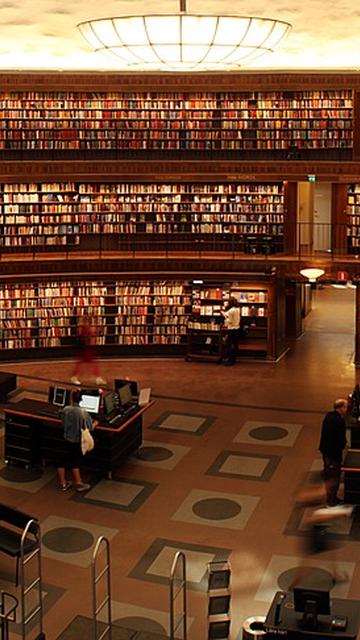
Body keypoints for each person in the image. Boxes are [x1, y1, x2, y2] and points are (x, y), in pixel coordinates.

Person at [57, 389, 95, 492]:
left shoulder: (65, 409)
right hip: (77, 440)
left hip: (66, 438)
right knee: (75, 462)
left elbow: (62, 422)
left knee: (62, 461)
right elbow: (90, 428)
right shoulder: (83, 413)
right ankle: (78, 483)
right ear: (81, 400)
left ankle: (63, 483)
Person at [319, 398, 348, 507]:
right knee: (334, 476)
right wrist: (344, 444)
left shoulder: (328, 415)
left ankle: (330, 497)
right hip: (334, 454)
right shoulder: (339, 421)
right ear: (342, 408)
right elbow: (340, 439)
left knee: (328, 474)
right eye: (346, 407)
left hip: (325, 451)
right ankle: (331, 500)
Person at [71, 313, 106, 386]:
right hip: (85, 348)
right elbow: (86, 337)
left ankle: (97, 378)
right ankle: (75, 377)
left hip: (88, 348)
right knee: (82, 363)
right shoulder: (84, 328)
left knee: (88, 363)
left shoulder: (85, 327)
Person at [221, 296, 241, 366]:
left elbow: (230, 321)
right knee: (235, 345)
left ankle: (230, 360)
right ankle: (233, 359)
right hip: (237, 328)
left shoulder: (231, 311)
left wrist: (225, 317)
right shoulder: (238, 309)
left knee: (230, 345)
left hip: (232, 329)